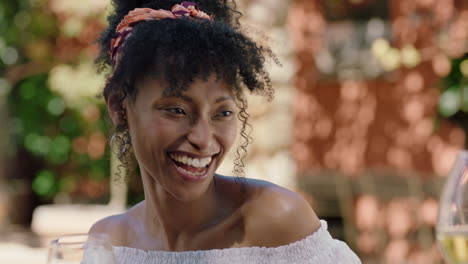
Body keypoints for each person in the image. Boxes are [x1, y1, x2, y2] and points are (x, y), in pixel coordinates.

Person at [89, 0, 362, 263]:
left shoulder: (277, 223)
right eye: (177, 110)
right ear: (118, 105)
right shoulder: (108, 243)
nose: (203, 139)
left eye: (222, 113)